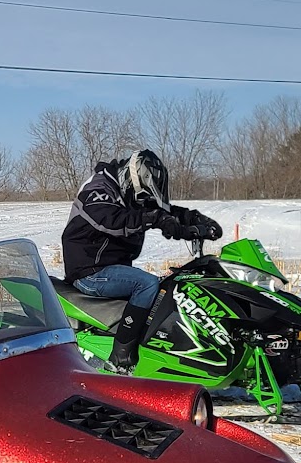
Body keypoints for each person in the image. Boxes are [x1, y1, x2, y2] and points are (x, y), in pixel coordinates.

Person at [61, 149, 222, 372]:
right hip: (90, 271)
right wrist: (154, 219)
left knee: (170, 286)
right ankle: (121, 356)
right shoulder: (98, 189)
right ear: (132, 177)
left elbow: (162, 211)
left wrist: (192, 220)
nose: (143, 203)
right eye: (143, 196)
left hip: (110, 268)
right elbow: (111, 220)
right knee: (146, 284)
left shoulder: (127, 193)